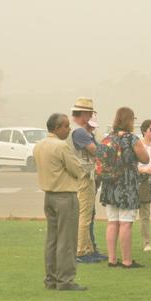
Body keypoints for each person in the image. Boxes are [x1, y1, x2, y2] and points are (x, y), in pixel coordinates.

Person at [34, 113, 87, 291]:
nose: (68, 129)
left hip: (48, 196)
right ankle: (66, 281)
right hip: (65, 197)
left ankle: (51, 279)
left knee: (52, 240)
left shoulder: (39, 145)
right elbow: (77, 169)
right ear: (56, 128)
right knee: (67, 241)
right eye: (65, 126)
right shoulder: (60, 145)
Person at [99, 107, 149, 268]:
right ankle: (127, 260)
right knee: (126, 223)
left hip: (109, 184)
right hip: (127, 185)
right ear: (129, 120)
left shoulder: (107, 139)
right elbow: (145, 158)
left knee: (112, 222)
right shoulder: (131, 139)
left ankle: (112, 259)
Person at [66, 97, 100, 264]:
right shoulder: (79, 131)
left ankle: (88, 249)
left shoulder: (74, 129)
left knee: (86, 213)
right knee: (85, 214)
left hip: (79, 175)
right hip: (84, 176)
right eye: (89, 113)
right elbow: (95, 150)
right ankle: (81, 251)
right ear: (84, 114)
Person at [87, 117, 107, 260]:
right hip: (87, 179)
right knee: (87, 215)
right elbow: (100, 152)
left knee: (91, 214)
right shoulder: (81, 134)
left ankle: (92, 245)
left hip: (95, 178)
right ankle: (87, 248)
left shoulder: (94, 135)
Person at [138, 119, 151, 252]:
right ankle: (147, 243)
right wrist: (146, 170)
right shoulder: (139, 145)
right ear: (145, 131)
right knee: (144, 216)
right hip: (143, 183)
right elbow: (134, 165)